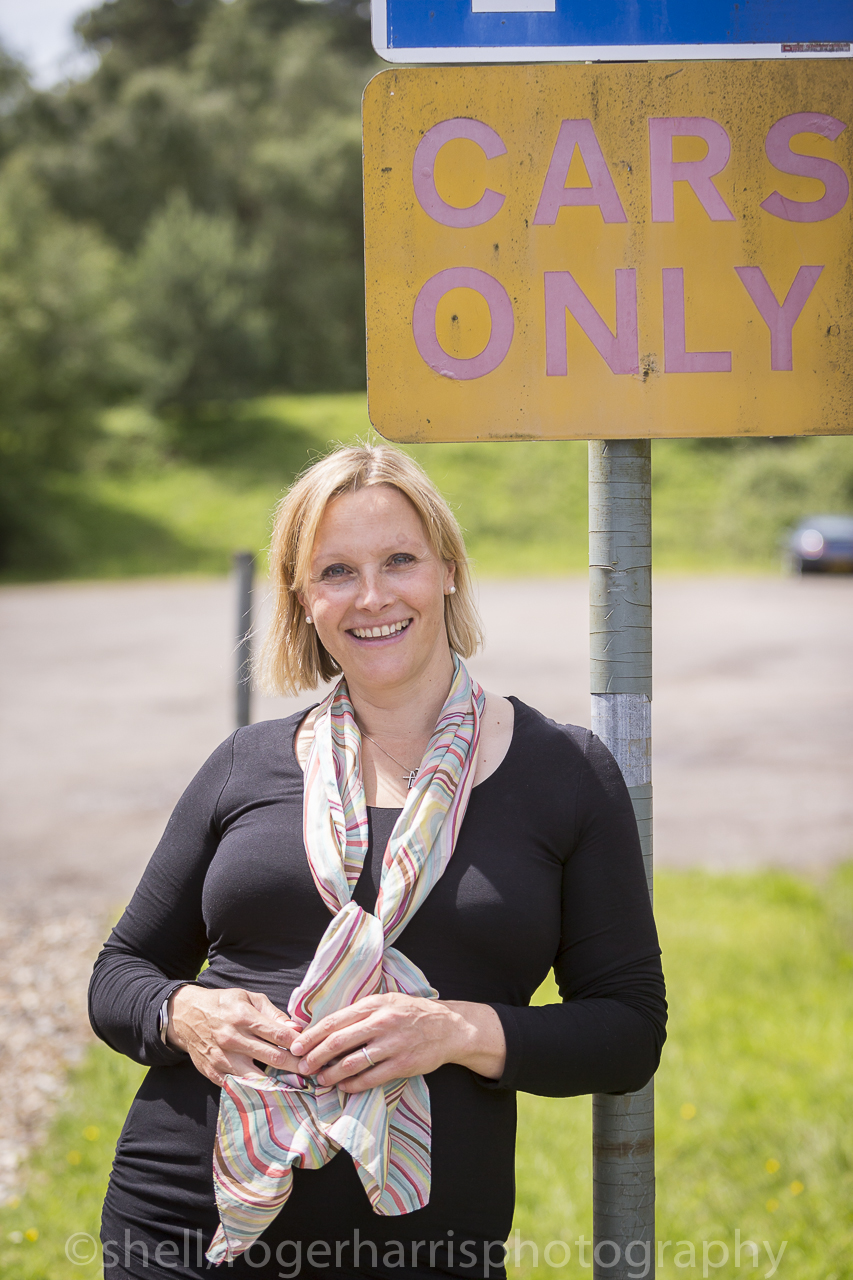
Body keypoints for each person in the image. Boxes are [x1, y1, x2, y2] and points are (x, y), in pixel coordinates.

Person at [89, 443, 666, 1280]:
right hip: (182, 1229)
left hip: (421, 1248)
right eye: (336, 571)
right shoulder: (246, 763)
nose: (371, 597)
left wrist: (452, 1031)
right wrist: (186, 1015)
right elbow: (119, 975)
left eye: (399, 560)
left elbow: (627, 1031)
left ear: (448, 571)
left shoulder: (564, 773)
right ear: (304, 599)